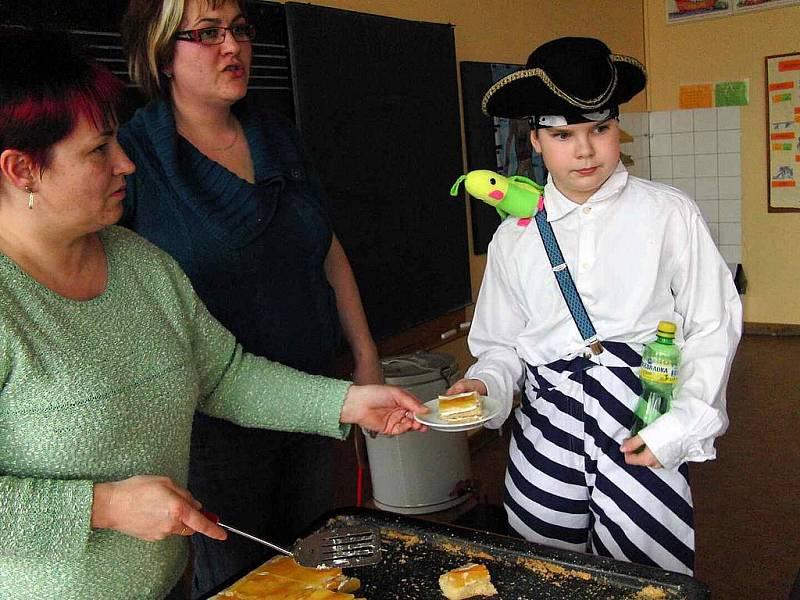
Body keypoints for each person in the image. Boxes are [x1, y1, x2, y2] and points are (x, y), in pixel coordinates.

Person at [0, 29, 426, 600]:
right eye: (99, 150)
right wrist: (103, 506)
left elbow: (225, 375)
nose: (125, 162)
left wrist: (347, 401)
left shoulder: (142, 267)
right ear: (21, 169)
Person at [117, 0, 386, 595]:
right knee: (244, 579)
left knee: (317, 560)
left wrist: (364, 354)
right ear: (162, 54)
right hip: (214, 425)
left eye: (239, 30)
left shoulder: (278, 137)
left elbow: (327, 246)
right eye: (207, 34)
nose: (232, 47)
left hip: (316, 396)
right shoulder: (133, 158)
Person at [448, 37, 741, 575]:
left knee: (647, 575)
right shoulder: (514, 239)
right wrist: (484, 385)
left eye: (599, 130)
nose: (584, 151)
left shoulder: (669, 214)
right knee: (546, 574)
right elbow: (501, 346)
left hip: (642, 420)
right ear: (535, 140)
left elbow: (712, 326)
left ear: (616, 128)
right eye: (563, 135)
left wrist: (679, 428)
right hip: (546, 431)